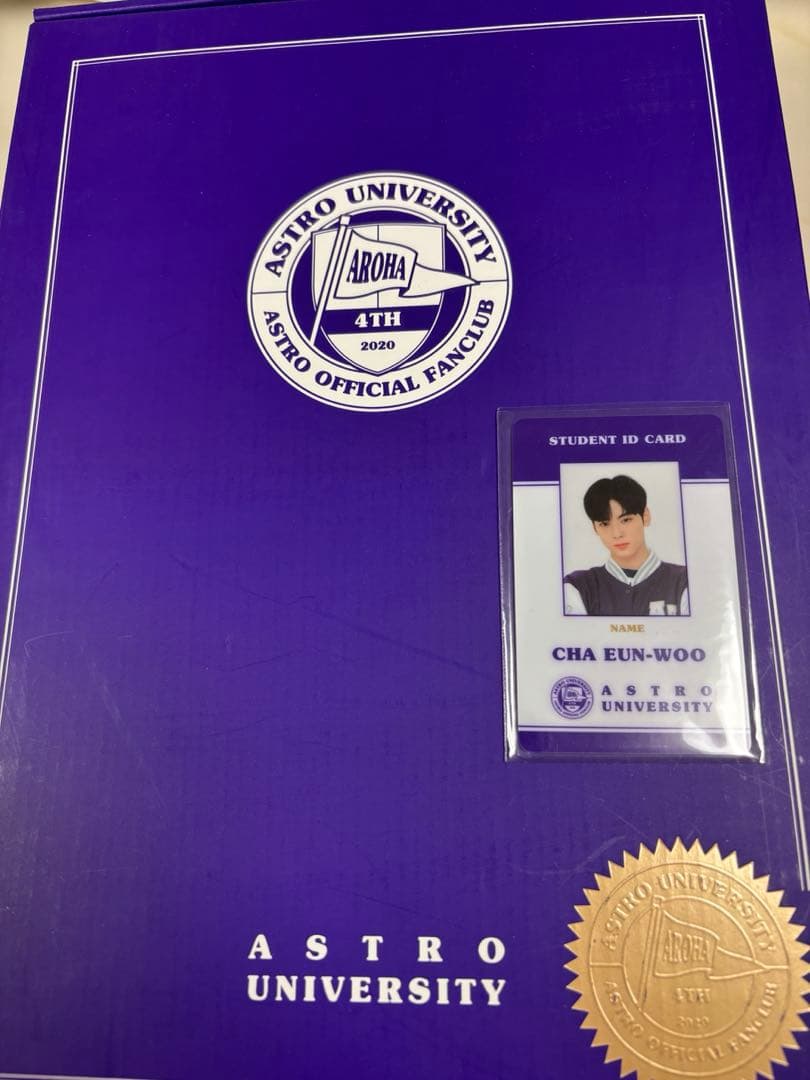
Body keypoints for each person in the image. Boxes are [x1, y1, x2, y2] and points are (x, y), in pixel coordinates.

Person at [564, 474, 689, 616]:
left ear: (645, 516)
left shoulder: (684, 581)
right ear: (595, 528)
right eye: (604, 524)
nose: (617, 534)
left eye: (625, 520)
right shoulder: (578, 586)